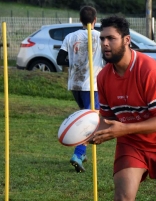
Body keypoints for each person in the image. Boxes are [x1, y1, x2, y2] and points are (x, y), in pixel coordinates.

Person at [89, 16, 156, 201]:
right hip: (131, 144)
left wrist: (123, 129)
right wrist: (84, 133)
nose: (105, 43)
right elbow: (106, 120)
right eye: (102, 38)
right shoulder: (103, 77)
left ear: (126, 40)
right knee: (122, 198)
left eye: (111, 38)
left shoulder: (149, 70)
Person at [56, 6, 103, 172]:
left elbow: (60, 59)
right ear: (95, 20)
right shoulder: (99, 37)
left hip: (75, 85)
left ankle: (82, 154)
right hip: (92, 86)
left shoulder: (70, 36)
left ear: (80, 19)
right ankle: (78, 153)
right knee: (90, 122)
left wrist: (76, 64)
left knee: (86, 117)